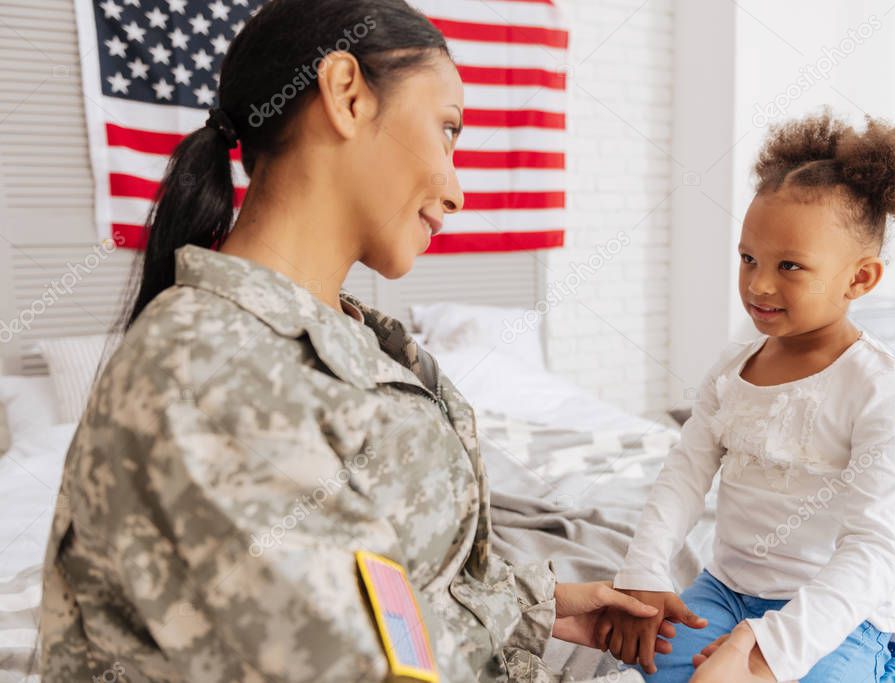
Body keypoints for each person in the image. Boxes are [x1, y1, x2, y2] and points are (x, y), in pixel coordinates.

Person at [36, 1, 691, 680]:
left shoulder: (346, 337)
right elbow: (352, 663)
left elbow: (376, 585)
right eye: (446, 130)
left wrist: (529, 603)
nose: (457, 189)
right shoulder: (209, 371)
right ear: (346, 95)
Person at [600, 111, 895, 682]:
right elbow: (684, 473)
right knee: (654, 669)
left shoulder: (880, 388)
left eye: (789, 266)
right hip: (726, 592)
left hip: (835, 612)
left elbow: (875, 551)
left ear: (859, 279)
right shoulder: (734, 370)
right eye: (748, 258)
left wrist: (764, 650)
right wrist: (645, 570)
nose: (759, 284)